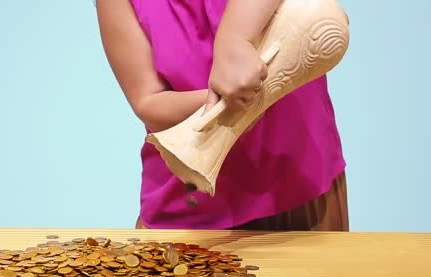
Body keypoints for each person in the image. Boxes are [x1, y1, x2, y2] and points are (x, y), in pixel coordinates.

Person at [95, 0, 349, 231]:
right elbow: (147, 101)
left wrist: (235, 39)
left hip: (299, 183)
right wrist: (231, 103)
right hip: (189, 204)